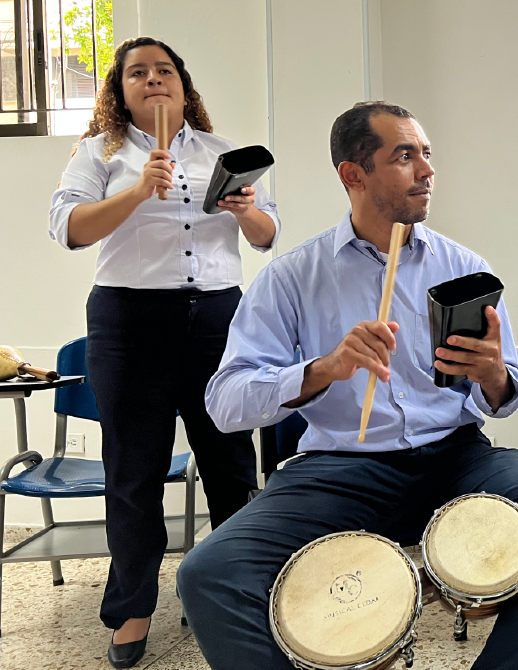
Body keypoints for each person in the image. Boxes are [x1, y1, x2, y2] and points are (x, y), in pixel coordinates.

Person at [176, 101, 518, 670]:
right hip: (339, 467)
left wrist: (492, 375)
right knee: (208, 575)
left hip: (458, 458)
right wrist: (322, 369)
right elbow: (224, 402)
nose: (426, 170)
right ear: (352, 174)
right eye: (404, 156)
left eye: (426, 154)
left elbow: (507, 395)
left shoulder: (464, 269)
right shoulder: (291, 277)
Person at [48, 37, 277, 667]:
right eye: (137, 73)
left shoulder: (223, 152)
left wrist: (247, 209)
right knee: (134, 472)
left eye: (165, 70)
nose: (153, 80)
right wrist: (135, 193)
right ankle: (132, 609)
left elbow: (266, 236)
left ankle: (237, 593)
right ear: (119, 90)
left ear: (184, 85)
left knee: (231, 463)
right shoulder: (100, 152)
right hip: (129, 321)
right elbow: (68, 228)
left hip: (219, 319)